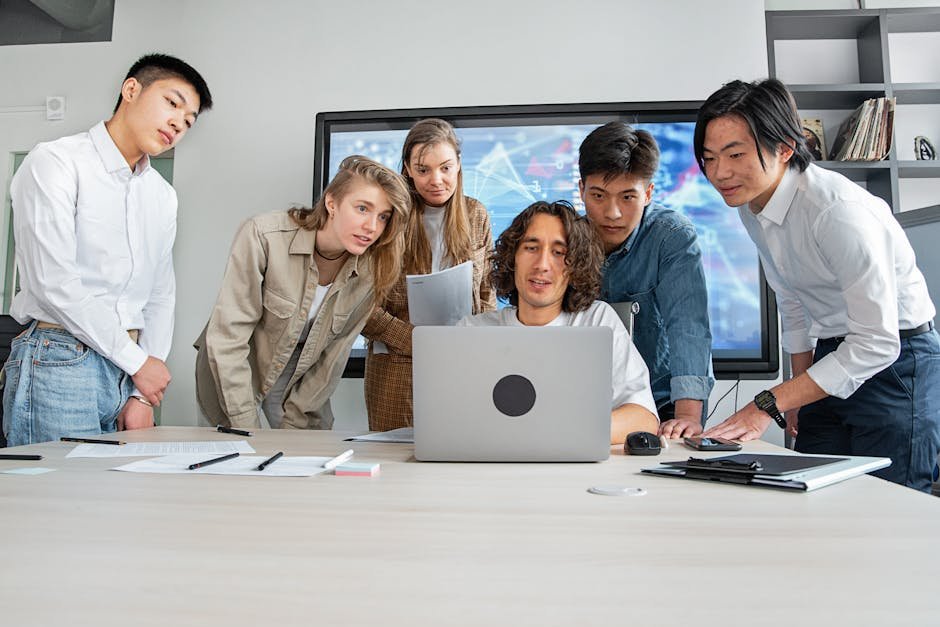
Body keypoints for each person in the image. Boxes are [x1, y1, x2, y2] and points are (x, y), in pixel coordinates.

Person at [694, 78, 940, 492]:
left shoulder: (837, 212)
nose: (720, 173)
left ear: (785, 147)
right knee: (809, 496)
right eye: (709, 158)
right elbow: (790, 301)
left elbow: (877, 342)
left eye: (735, 154)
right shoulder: (752, 206)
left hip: (897, 363)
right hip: (832, 353)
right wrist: (796, 396)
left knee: (889, 512)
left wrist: (767, 404)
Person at [3, 54, 212, 446]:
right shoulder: (57, 162)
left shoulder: (162, 196)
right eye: (172, 103)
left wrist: (140, 389)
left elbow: (160, 294)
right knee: (59, 503)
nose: (177, 124)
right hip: (60, 358)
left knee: (112, 504)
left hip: (127, 370)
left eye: (188, 122)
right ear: (131, 89)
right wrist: (139, 365)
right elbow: (54, 283)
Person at [194, 156, 410, 429]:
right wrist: (246, 427)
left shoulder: (372, 269)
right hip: (236, 357)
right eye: (362, 209)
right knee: (233, 453)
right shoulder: (263, 236)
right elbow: (228, 337)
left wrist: (295, 427)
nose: (372, 227)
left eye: (383, 217)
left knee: (307, 452)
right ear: (331, 203)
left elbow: (335, 354)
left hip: (301, 367)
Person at [458, 200, 658, 444]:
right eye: (531, 248)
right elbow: (450, 419)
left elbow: (643, 418)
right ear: (513, 258)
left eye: (559, 253)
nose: (542, 265)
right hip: (492, 468)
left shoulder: (597, 322)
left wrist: (557, 434)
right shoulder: (472, 333)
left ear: (576, 266)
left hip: (574, 471)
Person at [578, 122, 714, 438]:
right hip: (584, 405)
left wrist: (687, 418)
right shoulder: (564, 237)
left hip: (661, 403)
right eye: (598, 195)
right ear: (582, 188)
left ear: (649, 193)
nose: (612, 213)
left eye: (628, 197)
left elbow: (688, 325)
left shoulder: (671, 237)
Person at [362, 118, 496, 431]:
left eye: (446, 168)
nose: (436, 180)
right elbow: (360, 305)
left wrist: (482, 344)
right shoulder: (388, 218)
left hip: (462, 363)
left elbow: (488, 292)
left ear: (459, 165)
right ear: (407, 167)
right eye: (423, 170)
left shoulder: (476, 214)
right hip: (395, 367)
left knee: (457, 462)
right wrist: (416, 340)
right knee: (394, 467)